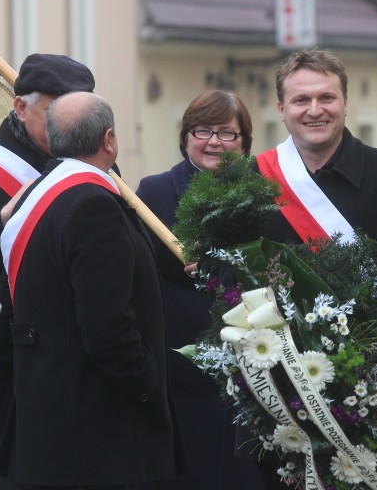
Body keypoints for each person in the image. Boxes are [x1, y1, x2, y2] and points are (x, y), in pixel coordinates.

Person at [254, 48, 377, 489]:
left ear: (345, 102)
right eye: (301, 100)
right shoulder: (253, 181)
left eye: (327, 97)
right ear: (281, 109)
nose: (315, 110)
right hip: (279, 396)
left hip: (374, 391)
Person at [0, 91, 183, 488]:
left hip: (49, 418)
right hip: (98, 433)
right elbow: (106, 324)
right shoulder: (93, 205)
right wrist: (147, 382)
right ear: (108, 140)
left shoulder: (35, 196)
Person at [0, 53, 94, 490]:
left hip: (91, 366)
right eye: (55, 110)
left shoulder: (91, 161)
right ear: (20, 108)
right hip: (20, 374)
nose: (68, 125)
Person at [136, 90, 262, 490]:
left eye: (227, 134)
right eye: (202, 130)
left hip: (255, 365)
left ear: (244, 142)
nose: (213, 142)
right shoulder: (154, 193)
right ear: (185, 137)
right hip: (179, 366)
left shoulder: (266, 194)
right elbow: (140, 276)